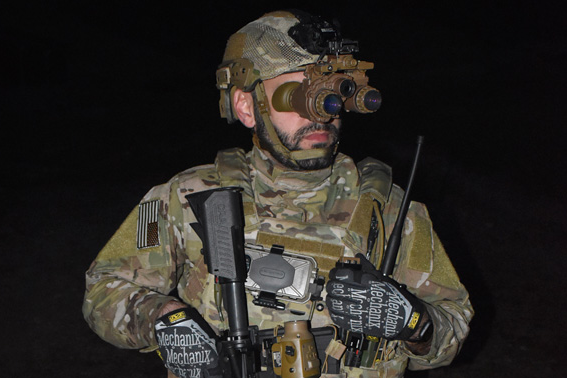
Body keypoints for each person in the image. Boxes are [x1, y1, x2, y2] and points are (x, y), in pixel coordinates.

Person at [83, 10, 473, 378]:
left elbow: (452, 327)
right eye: (296, 94)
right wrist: (163, 318)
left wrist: (414, 322)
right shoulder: (186, 196)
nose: (320, 114)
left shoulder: (390, 211)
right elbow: (103, 289)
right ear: (247, 106)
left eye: (328, 93)